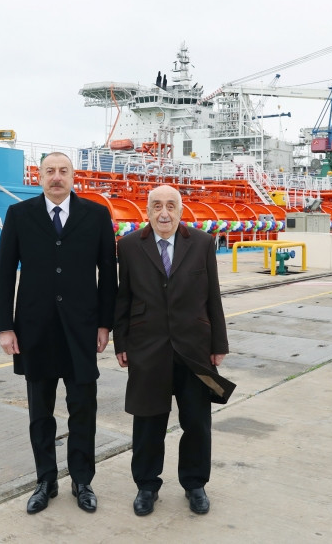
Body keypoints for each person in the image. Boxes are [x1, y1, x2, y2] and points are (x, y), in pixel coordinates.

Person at [0, 152, 117, 515]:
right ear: (40, 177)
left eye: (64, 171)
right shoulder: (19, 215)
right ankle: (45, 481)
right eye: (50, 171)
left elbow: (108, 275)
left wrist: (105, 324)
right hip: (35, 330)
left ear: (73, 177)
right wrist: (5, 326)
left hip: (82, 330)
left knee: (83, 410)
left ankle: (82, 480)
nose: (57, 177)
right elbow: (5, 273)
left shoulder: (96, 215)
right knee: (40, 413)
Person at [113, 185, 235, 517]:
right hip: (146, 347)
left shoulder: (202, 242)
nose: (163, 213)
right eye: (156, 206)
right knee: (148, 421)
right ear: (147, 211)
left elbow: (213, 296)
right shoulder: (129, 246)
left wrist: (219, 344)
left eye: (170, 206)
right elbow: (123, 298)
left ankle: (195, 484)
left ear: (181, 211)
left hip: (195, 348)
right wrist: (121, 342)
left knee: (197, 422)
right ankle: (146, 486)